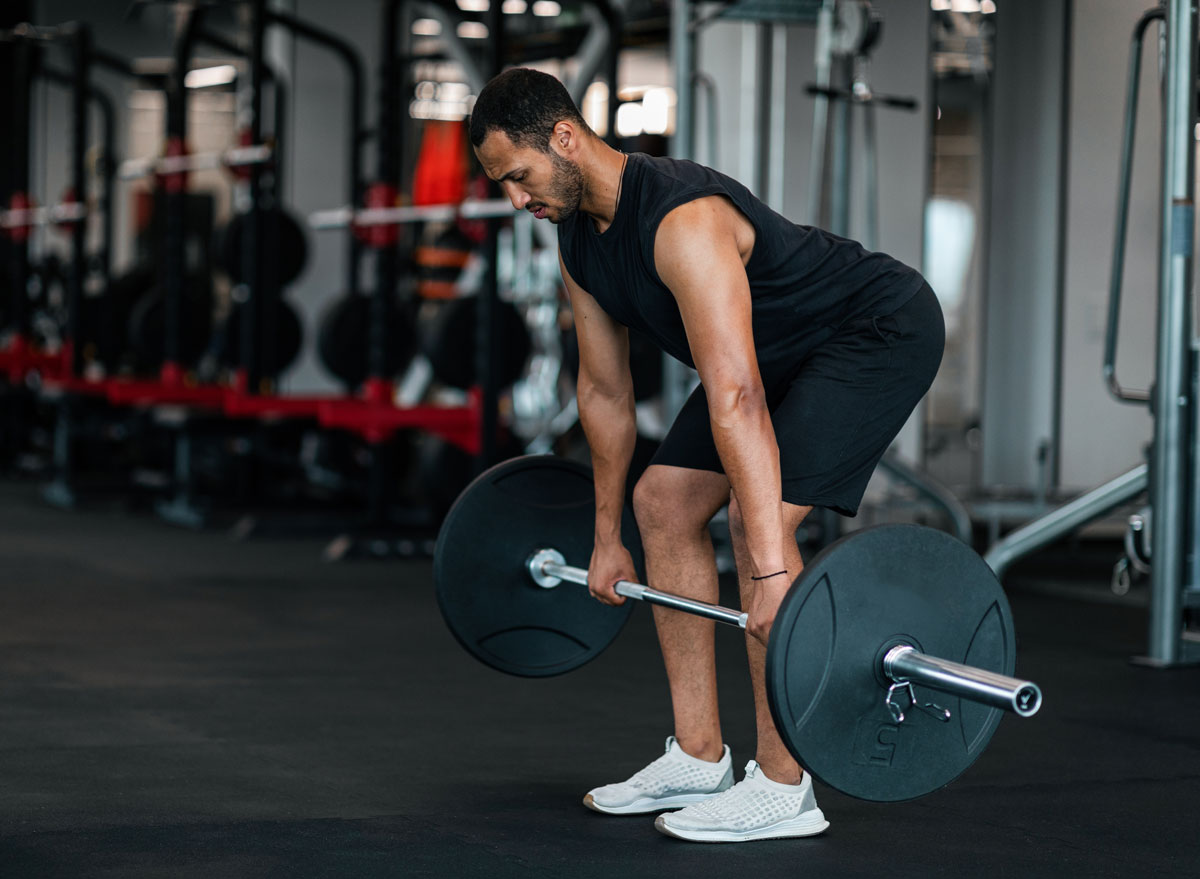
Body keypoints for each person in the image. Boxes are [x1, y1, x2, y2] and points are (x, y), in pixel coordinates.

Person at [468, 68, 945, 843]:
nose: (516, 199)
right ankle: (698, 754)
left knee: (767, 531)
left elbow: (737, 397)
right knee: (662, 504)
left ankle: (785, 786)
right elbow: (605, 392)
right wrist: (604, 535)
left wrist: (766, 566)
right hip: (773, 356)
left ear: (563, 137)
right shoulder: (576, 241)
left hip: (870, 332)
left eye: (517, 176)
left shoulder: (681, 219)